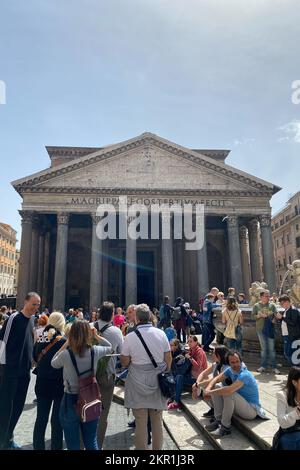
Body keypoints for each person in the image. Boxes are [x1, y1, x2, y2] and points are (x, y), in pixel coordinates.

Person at [51, 320, 112, 450]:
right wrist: (96, 336)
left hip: (70, 398)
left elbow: (53, 362)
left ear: (72, 334)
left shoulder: (66, 355)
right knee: (91, 441)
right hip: (90, 397)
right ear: (88, 334)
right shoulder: (95, 351)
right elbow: (110, 347)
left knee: (73, 445)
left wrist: (66, 343)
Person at [120, 304, 172, 450]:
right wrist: (164, 374)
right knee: (157, 422)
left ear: (136, 318)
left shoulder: (130, 337)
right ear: (150, 317)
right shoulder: (161, 334)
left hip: (137, 381)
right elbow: (168, 358)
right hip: (157, 380)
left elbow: (124, 362)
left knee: (141, 423)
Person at [0, 292, 41, 449]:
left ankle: (8, 438)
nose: (36, 307)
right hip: (10, 371)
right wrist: (2, 368)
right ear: (25, 302)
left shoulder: (32, 320)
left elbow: (30, 343)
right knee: (5, 408)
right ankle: (2, 441)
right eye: (33, 304)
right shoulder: (14, 318)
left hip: (25, 372)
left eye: (38, 305)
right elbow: (2, 342)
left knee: (17, 407)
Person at [204, 350, 267, 438]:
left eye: (237, 361)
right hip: (241, 406)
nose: (236, 364)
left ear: (241, 361)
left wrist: (209, 392)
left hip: (251, 411)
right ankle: (218, 420)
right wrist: (208, 388)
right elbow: (216, 379)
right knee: (218, 386)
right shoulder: (230, 370)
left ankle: (225, 428)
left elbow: (229, 390)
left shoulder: (245, 374)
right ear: (228, 363)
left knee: (229, 393)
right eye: (232, 362)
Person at [32, 312, 66, 450]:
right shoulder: (63, 341)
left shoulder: (41, 337)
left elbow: (35, 356)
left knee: (41, 418)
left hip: (42, 382)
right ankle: (56, 447)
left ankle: (38, 447)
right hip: (58, 383)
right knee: (57, 420)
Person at [94, 301, 124, 449]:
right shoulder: (116, 331)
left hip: (87, 376)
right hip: (107, 375)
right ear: (112, 315)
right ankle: (97, 445)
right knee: (103, 413)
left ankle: (82, 442)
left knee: (85, 409)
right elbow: (123, 354)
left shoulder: (88, 327)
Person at [168, 335, 207, 411]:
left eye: (191, 341)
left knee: (179, 378)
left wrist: (190, 358)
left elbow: (198, 367)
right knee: (175, 375)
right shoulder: (191, 351)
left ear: (196, 342)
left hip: (198, 379)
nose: (189, 343)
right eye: (188, 341)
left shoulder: (200, 352)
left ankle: (176, 402)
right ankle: (172, 398)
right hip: (190, 377)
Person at [192, 345, 229, 419]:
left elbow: (215, 379)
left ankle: (218, 416)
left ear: (218, 356)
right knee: (205, 386)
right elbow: (203, 373)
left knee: (213, 386)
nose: (211, 355)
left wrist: (198, 385)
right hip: (221, 393)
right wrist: (197, 383)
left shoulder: (227, 367)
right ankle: (214, 408)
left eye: (213, 353)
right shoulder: (216, 364)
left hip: (227, 393)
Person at [252, 290, 280, 374]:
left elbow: (276, 315)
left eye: (268, 296)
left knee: (271, 349)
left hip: (270, 329)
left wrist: (274, 320)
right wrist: (259, 315)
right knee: (263, 349)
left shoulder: (272, 305)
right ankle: (263, 366)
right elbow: (253, 317)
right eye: (266, 296)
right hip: (260, 329)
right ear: (261, 297)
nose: (268, 297)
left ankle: (274, 366)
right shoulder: (256, 306)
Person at [274, 366, 300, 450]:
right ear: (294, 382)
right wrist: (296, 413)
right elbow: (282, 422)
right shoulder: (282, 395)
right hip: (289, 432)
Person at [277, 295, 300, 366]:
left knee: (288, 353)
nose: (281, 305)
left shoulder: (293, 310)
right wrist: (280, 319)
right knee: (289, 353)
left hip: (291, 336)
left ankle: (295, 369)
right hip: (287, 335)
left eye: (282, 303)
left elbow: (293, 323)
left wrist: (282, 317)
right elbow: (286, 322)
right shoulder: (286, 310)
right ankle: (295, 369)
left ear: (287, 302)